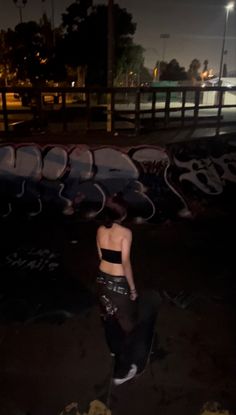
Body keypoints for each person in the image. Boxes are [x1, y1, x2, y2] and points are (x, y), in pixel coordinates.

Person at [96, 195, 138, 385]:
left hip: (102, 279)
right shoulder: (125, 232)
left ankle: (114, 347)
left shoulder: (99, 230)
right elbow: (125, 262)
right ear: (122, 215)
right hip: (119, 282)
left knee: (109, 317)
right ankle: (122, 372)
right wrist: (132, 288)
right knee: (127, 325)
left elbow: (100, 256)